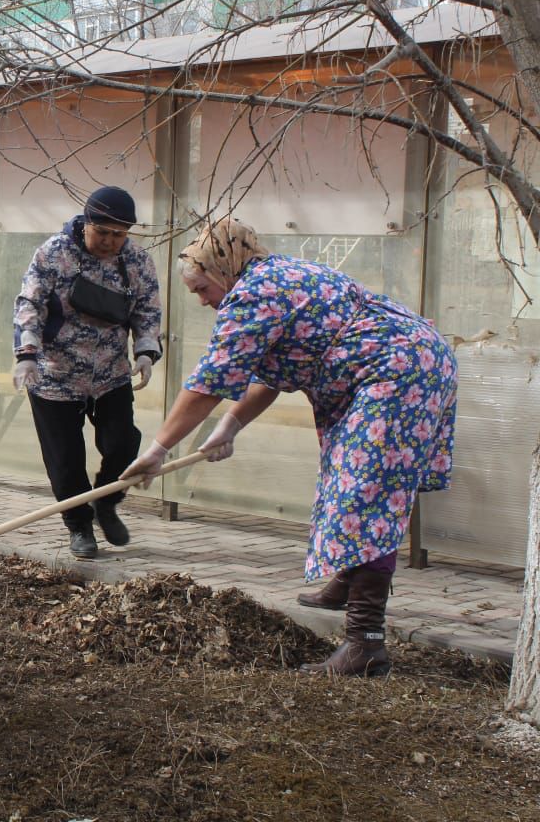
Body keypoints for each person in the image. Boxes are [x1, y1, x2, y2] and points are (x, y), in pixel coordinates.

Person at [121, 218, 457, 677]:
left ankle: (365, 643)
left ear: (224, 269)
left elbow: (209, 383)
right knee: (352, 483)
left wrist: (158, 450)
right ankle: (349, 581)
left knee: (365, 492)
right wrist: (231, 426)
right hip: (404, 362)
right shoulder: (275, 274)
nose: (202, 301)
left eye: (202, 289)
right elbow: (268, 375)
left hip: (396, 373)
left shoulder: (253, 293)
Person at [12, 185, 163, 559]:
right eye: (103, 232)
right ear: (86, 223)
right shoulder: (53, 253)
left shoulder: (137, 261)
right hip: (54, 375)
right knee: (65, 459)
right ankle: (79, 526)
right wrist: (27, 353)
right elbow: (30, 303)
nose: (111, 242)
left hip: (110, 373)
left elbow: (148, 310)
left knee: (123, 442)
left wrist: (145, 350)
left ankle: (107, 502)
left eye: (120, 234)